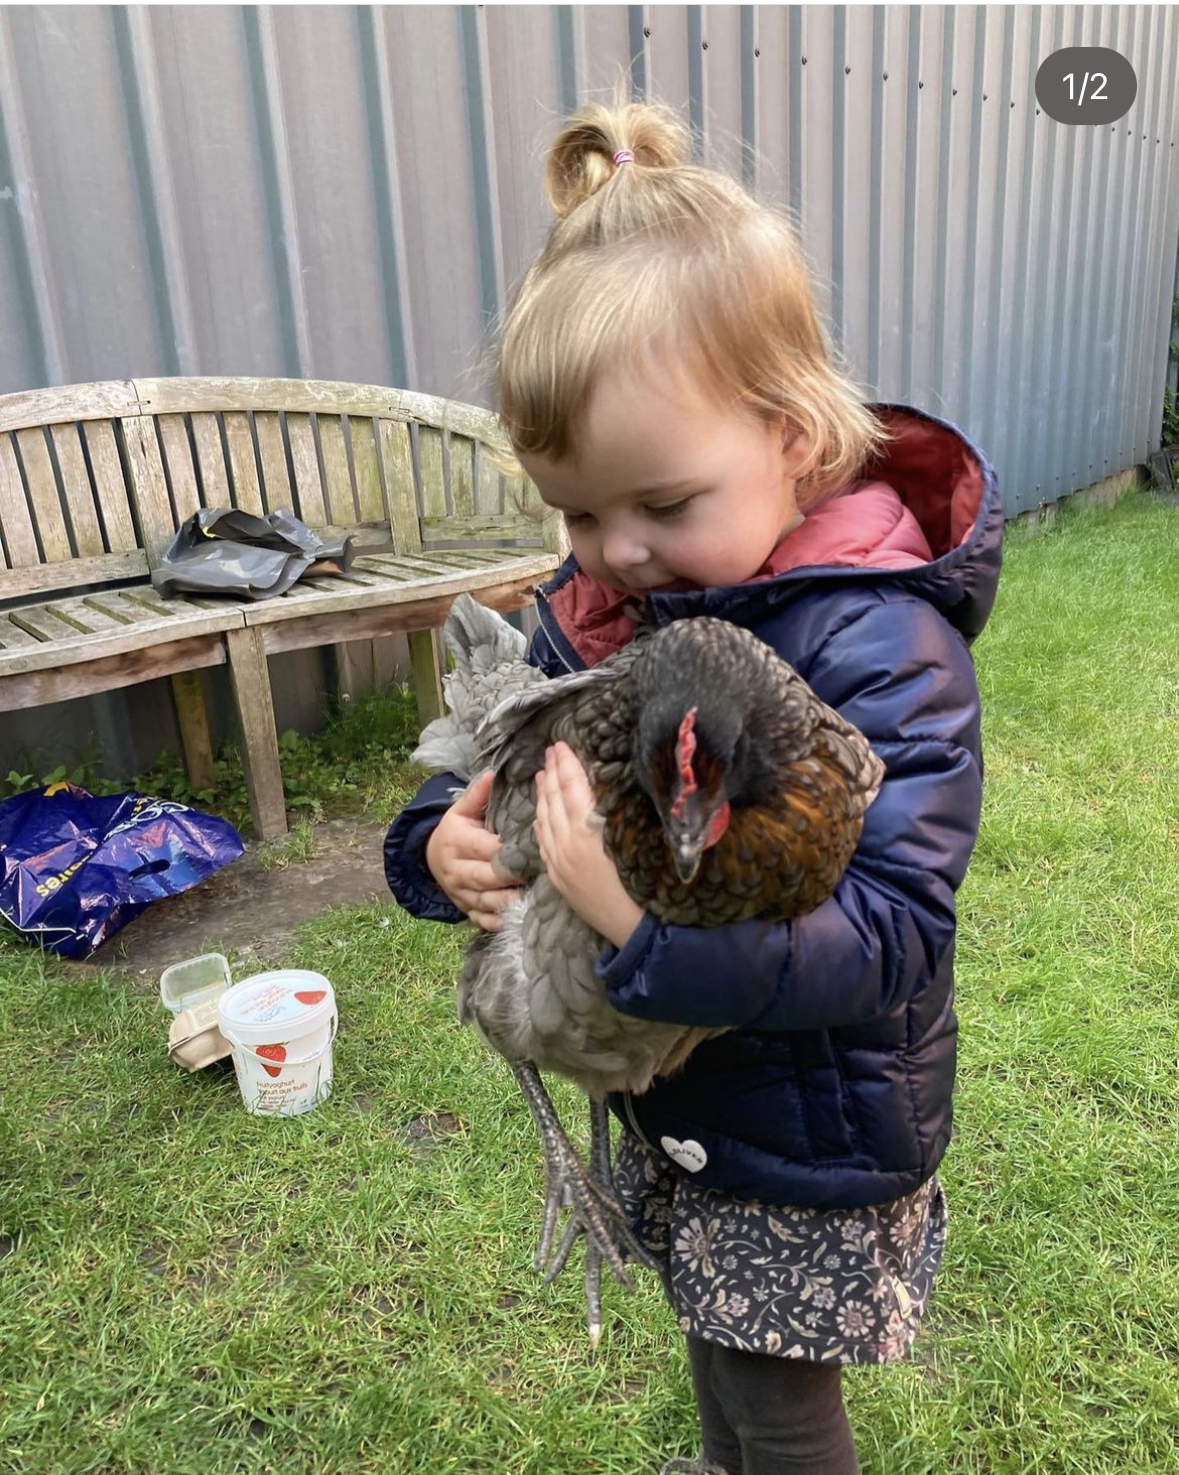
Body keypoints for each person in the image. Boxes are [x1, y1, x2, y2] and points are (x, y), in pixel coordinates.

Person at [385, 93, 1002, 1475]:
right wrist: (440, 848)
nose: (618, 552)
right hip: (678, 1103)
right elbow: (495, 746)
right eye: (581, 512)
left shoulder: (877, 645)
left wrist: (637, 930)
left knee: (779, 1395)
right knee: (714, 1336)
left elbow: (895, 934)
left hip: (808, 1118)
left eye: (660, 506)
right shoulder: (604, 606)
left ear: (790, 432)